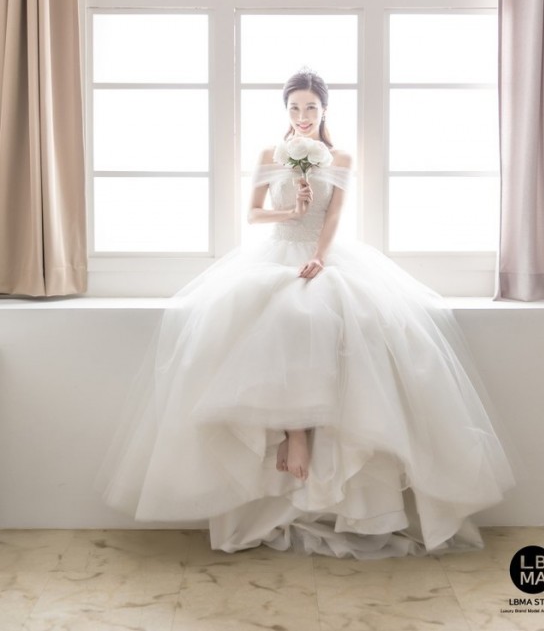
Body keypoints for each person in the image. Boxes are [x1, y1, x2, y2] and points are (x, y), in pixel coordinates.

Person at [97, 68, 516, 559]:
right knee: (276, 321)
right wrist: (290, 213)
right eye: (294, 108)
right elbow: (254, 213)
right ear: (286, 110)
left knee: (329, 322)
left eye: (311, 108)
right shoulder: (269, 155)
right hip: (276, 250)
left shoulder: (340, 157)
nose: (302, 117)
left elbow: (334, 215)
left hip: (322, 254)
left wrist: (318, 255)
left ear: (324, 110)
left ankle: (315, 449)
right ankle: (292, 433)